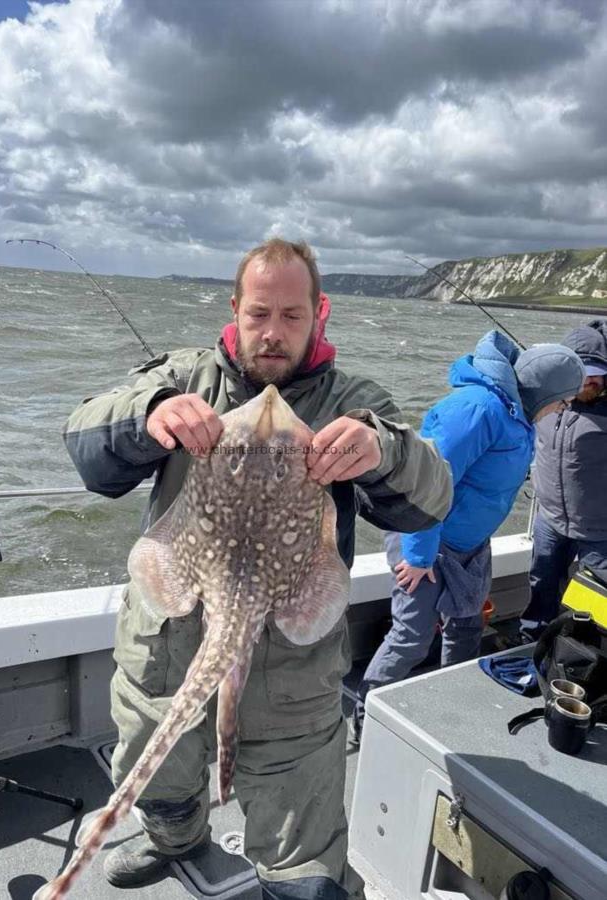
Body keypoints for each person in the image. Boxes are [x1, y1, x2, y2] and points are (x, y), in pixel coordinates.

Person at [63, 238, 453, 900]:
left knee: (303, 860)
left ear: (319, 312)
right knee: (155, 766)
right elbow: (85, 442)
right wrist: (147, 415)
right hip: (168, 648)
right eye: (258, 314)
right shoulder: (182, 376)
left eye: (292, 316)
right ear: (235, 308)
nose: (272, 333)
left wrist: (382, 451)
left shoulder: (353, 400)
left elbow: (429, 501)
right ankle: (172, 837)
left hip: (292, 681)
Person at [352, 332, 585, 742]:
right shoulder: (478, 409)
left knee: (466, 625)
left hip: (469, 546)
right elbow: (426, 483)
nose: (561, 410)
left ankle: (447, 702)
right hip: (424, 540)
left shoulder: (519, 414)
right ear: (545, 392)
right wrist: (419, 557)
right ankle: (364, 713)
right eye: (563, 401)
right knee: (412, 635)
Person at [520, 319, 607, 641]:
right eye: (583, 372)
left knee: (599, 599)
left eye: (598, 371)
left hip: (599, 529)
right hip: (550, 518)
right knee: (541, 583)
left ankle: (589, 659)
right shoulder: (545, 398)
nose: (591, 380)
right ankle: (533, 644)